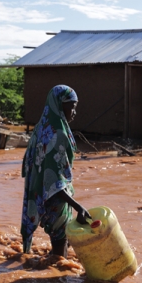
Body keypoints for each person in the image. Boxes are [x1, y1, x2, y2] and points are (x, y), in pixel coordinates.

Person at [20, 85, 91, 257]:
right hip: (55, 200)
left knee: (59, 244)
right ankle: (57, 281)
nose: (74, 112)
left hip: (41, 196)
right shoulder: (57, 133)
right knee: (60, 253)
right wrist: (78, 207)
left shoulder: (41, 127)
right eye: (71, 107)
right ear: (60, 105)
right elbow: (54, 182)